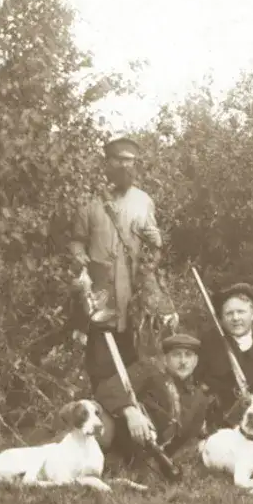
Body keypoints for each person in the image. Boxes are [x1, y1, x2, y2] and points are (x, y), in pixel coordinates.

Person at [67, 136, 179, 393]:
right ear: (107, 164)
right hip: (101, 289)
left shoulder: (144, 201)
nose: (126, 168)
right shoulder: (89, 202)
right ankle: (100, 403)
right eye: (119, 162)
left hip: (134, 288)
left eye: (130, 162)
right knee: (99, 351)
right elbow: (77, 241)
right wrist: (79, 256)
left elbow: (154, 247)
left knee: (136, 347)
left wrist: (157, 240)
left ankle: (133, 403)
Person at [95, 332, 212, 481]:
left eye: (188, 355)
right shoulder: (147, 372)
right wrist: (130, 412)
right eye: (176, 355)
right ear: (165, 359)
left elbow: (185, 440)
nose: (183, 361)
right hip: (121, 440)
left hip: (150, 455)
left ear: (196, 361)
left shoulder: (199, 399)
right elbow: (108, 388)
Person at [194, 282, 253, 429]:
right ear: (221, 318)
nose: (235, 318)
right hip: (215, 420)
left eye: (241, 312)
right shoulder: (208, 343)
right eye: (229, 313)